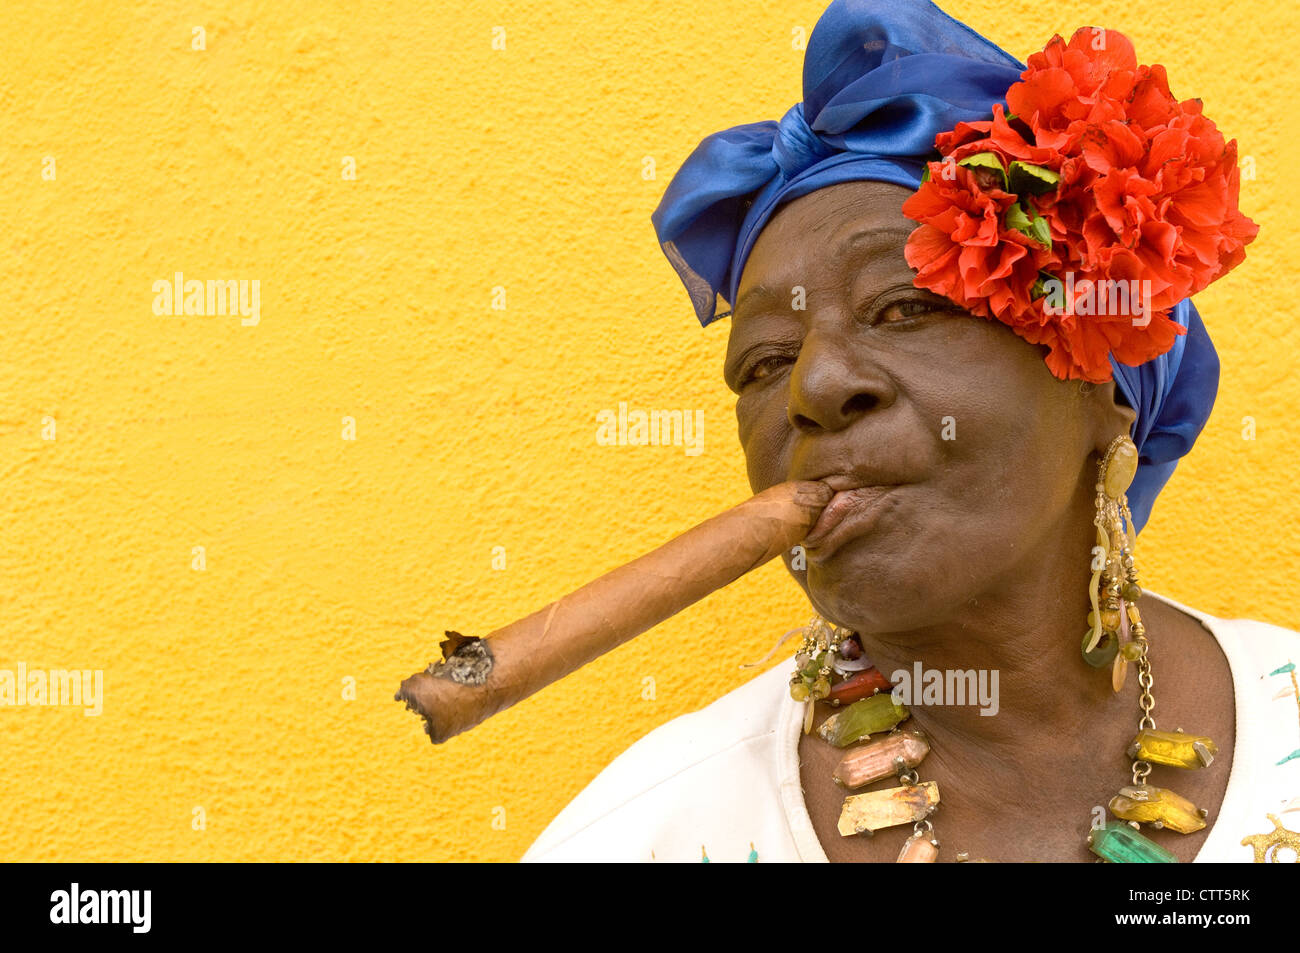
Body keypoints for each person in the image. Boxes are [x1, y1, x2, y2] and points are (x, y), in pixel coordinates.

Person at [522, 0, 1299, 863]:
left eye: (903, 306)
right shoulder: (642, 834)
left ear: (1101, 388)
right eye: (765, 364)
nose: (813, 389)